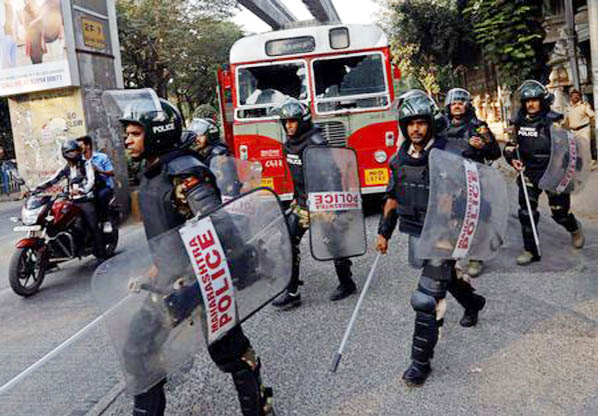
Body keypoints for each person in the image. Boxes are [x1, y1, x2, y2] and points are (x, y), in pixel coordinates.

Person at [119, 95, 273, 416]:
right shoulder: (154, 171)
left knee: (229, 351)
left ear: (156, 131)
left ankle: (259, 409)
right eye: (127, 133)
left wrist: (233, 265)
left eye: (134, 133)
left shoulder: (184, 173)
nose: (127, 139)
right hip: (168, 282)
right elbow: (168, 231)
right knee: (137, 349)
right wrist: (158, 265)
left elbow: (218, 224)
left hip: (203, 279)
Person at [376, 91, 486, 387]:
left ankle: (419, 362)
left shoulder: (449, 152)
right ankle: (473, 302)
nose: (416, 129)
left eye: (421, 123)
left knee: (426, 297)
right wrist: (384, 232)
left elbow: (474, 186)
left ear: (430, 124)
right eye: (410, 123)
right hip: (417, 232)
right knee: (445, 279)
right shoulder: (399, 160)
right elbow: (392, 197)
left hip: (443, 236)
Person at [271, 99, 357, 309]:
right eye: (286, 122)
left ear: (303, 121)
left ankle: (347, 283)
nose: (289, 126)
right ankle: (292, 292)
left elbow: (333, 177)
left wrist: (336, 208)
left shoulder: (316, 144)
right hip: (302, 203)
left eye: (293, 121)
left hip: (322, 204)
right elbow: (297, 176)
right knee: (289, 242)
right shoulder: (289, 145)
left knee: (332, 244)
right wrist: (295, 196)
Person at [503, 80, 584, 266]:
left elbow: (570, 148)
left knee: (559, 213)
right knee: (526, 212)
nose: (531, 104)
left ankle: (574, 227)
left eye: (535, 100)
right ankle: (530, 250)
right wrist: (511, 158)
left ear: (542, 101)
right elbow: (510, 146)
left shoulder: (554, 120)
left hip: (554, 173)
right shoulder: (517, 122)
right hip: (529, 172)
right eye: (527, 101)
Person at [444, 87, 501, 277]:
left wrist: (483, 146)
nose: (457, 106)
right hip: (450, 181)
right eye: (453, 103)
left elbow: (495, 153)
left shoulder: (478, 126)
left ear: (467, 105)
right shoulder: (441, 127)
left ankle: (477, 257)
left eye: (461, 102)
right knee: (452, 218)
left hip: (474, 180)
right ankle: (454, 255)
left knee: (476, 218)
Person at [35, 140, 106, 259]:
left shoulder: (86, 164)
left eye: (75, 151)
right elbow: (53, 180)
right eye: (70, 152)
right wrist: (36, 189)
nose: (73, 154)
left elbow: (90, 181)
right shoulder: (66, 168)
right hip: (71, 200)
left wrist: (81, 190)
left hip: (85, 200)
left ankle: (101, 253)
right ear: (65, 154)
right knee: (53, 221)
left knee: (92, 225)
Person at [76, 135, 115, 233]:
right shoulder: (79, 161)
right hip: (88, 188)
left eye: (81, 145)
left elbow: (111, 172)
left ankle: (105, 221)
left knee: (101, 196)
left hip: (103, 186)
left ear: (88, 146)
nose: (79, 148)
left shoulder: (101, 157)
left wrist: (99, 170)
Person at [563, 88, 597, 170]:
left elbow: (592, 115)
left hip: (584, 129)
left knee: (585, 147)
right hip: (573, 131)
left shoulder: (584, 106)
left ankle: (588, 165)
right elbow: (565, 120)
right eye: (573, 96)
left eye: (577, 96)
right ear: (570, 97)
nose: (575, 97)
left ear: (579, 97)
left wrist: (592, 125)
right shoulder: (568, 108)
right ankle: (580, 165)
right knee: (575, 148)